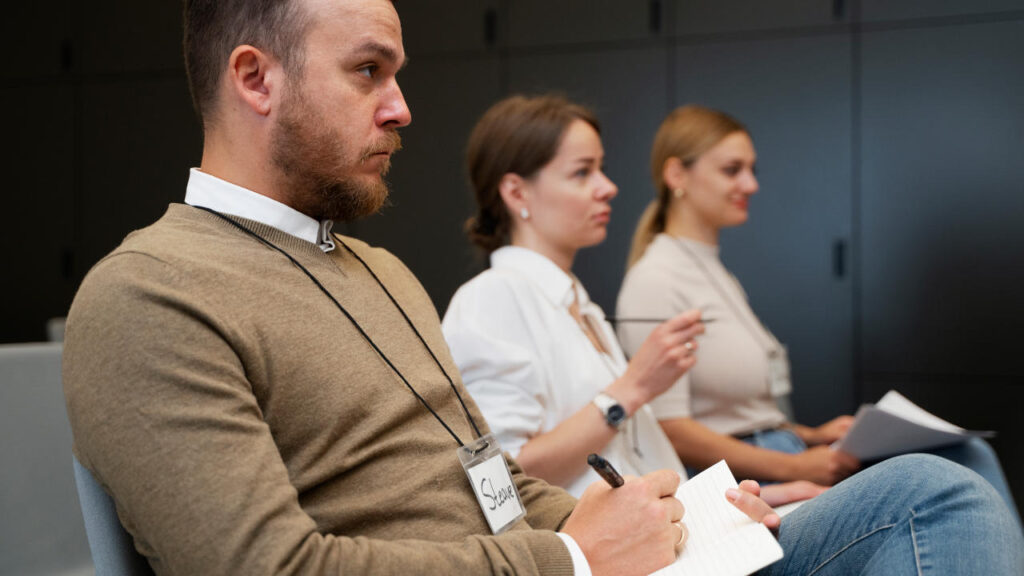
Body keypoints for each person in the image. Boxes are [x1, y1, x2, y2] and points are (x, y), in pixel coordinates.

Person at [60, 1, 1022, 572]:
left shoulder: (376, 269)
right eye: (367, 72)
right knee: (937, 502)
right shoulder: (149, 295)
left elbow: (490, 479)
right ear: (254, 78)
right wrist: (571, 556)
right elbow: (265, 569)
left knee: (937, 485)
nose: (402, 107)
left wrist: (675, 517)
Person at [439, 95, 1023, 575]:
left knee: (947, 479)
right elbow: (505, 484)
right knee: (935, 489)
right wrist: (628, 392)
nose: (610, 187)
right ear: (517, 194)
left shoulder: (580, 306)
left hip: (691, 527)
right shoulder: (492, 300)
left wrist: (755, 498)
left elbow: (644, 465)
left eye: (602, 168)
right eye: (583, 172)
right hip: (649, 554)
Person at [616, 105, 1020, 519]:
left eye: (752, 169)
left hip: (782, 450)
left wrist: (811, 435)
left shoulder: (713, 272)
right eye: (732, 170)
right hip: (747, 481)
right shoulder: (657, 280)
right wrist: (796, 465)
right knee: (958, 472)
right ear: (677, 176)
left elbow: (738, 412)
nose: (751, 184)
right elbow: (671, 431)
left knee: (967, 452)